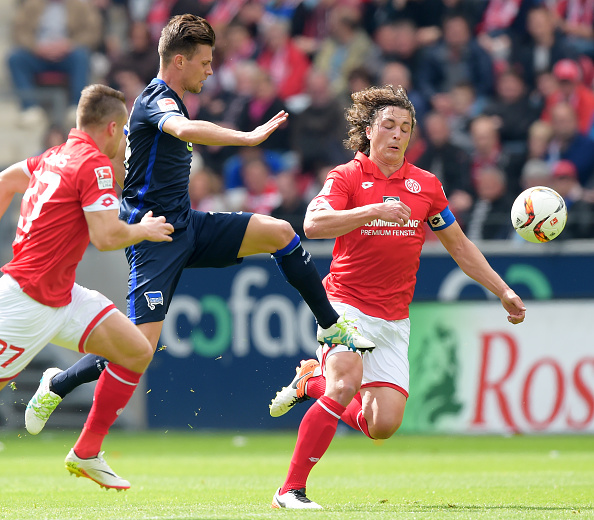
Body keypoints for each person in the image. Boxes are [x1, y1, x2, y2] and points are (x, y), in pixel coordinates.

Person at [24, 14, 373, 435]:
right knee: (139, 347)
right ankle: (57, 382)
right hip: (154, 236)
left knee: (281, 232)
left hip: (186, 225)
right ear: (178, 61)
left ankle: (331, 325)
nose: (211, 70)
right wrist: (247, 137)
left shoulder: (170, 99)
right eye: (205, 61)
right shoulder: (156, 99)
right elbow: (186, 128)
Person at [268, 85, 526, 509]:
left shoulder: (426, 186)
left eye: (405, 127)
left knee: (382, 425)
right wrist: (370, 210)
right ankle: (290, 490)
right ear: (368, 131)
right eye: (388, 125)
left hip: (393, 318)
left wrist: (503, 290)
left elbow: (459, 246)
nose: (397, 134)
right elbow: (313, 225)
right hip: (344, 303)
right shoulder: (347, 176)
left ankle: (311, 382)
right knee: (347, 383)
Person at [0, 84, 174, 489]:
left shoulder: (54, 156)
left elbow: (7, 179)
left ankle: (87, 451)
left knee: (135, 351)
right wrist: (144, 229)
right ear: (112, 127)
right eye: (125, 130)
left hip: (62, 297)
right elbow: (106, 237)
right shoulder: (94, 165)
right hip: (24, 302)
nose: (126, 139)